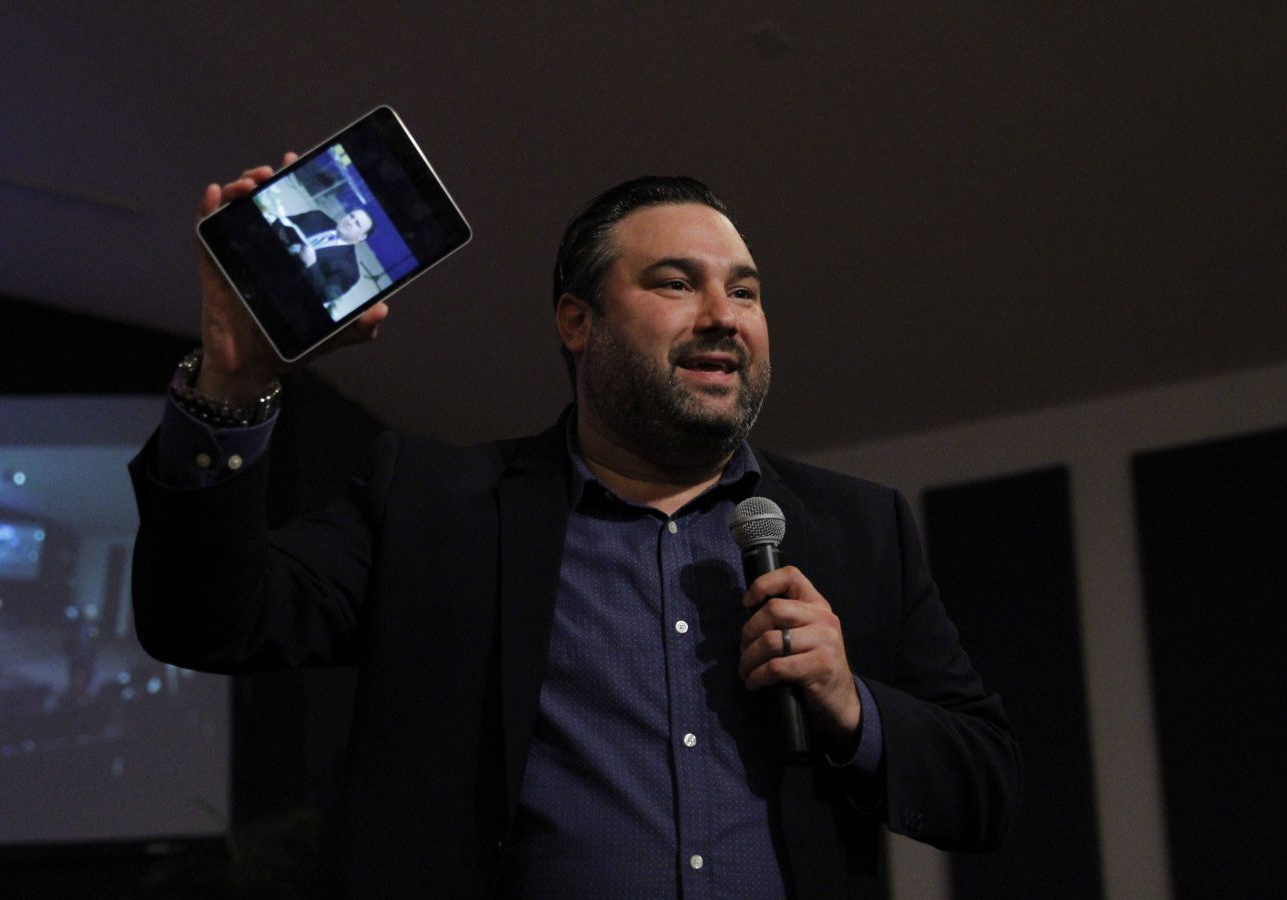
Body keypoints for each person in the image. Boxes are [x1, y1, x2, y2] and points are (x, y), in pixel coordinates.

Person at [130, 159, 1020, 898]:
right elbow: (204, 618)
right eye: (676, 283)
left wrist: (850, 704)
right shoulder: (435, 506)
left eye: (745, 291)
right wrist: (232, 382)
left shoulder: (859, 528)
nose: (724, 315)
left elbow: (986, 786)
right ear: (577, 323)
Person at [270, 207, 374, 305]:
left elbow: (323, 296)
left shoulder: (350, 271)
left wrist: (311, 265)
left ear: (362, 237)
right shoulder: (317, 216)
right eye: (351, 216)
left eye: (357, 224)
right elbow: (281, 222)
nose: (350, 222)